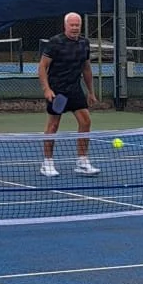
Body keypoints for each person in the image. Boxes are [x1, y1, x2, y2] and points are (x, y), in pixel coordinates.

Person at [38, 12, 100, 177]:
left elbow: (86, 68)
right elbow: (42, 67)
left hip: (75, 91)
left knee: (86, 122)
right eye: (72, 25)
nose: (74, 28)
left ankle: (82, 161)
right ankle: (47, 163)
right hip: (58, 93)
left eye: (77, 25)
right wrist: (47, 89)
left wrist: (91, 92)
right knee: (53, 126)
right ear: (65, 26)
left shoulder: (84, 43)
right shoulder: (55, 43)